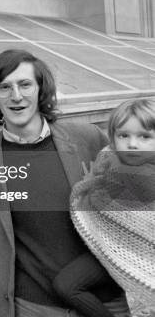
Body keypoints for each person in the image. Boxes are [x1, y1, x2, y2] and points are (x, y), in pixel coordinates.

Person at [0, 49, 129, 317]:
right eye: (4, 87)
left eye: (25, 84)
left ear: (41, 89)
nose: (16, 96)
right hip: (32, 307)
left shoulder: (88, 139)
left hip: (104, 302)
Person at [70, 99, 155, 316]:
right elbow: (93, 198)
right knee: (66, 285)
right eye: (123, 135)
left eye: (144, 136)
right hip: (109, 246)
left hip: (145, 255)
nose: (132, 144)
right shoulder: (107, 162)